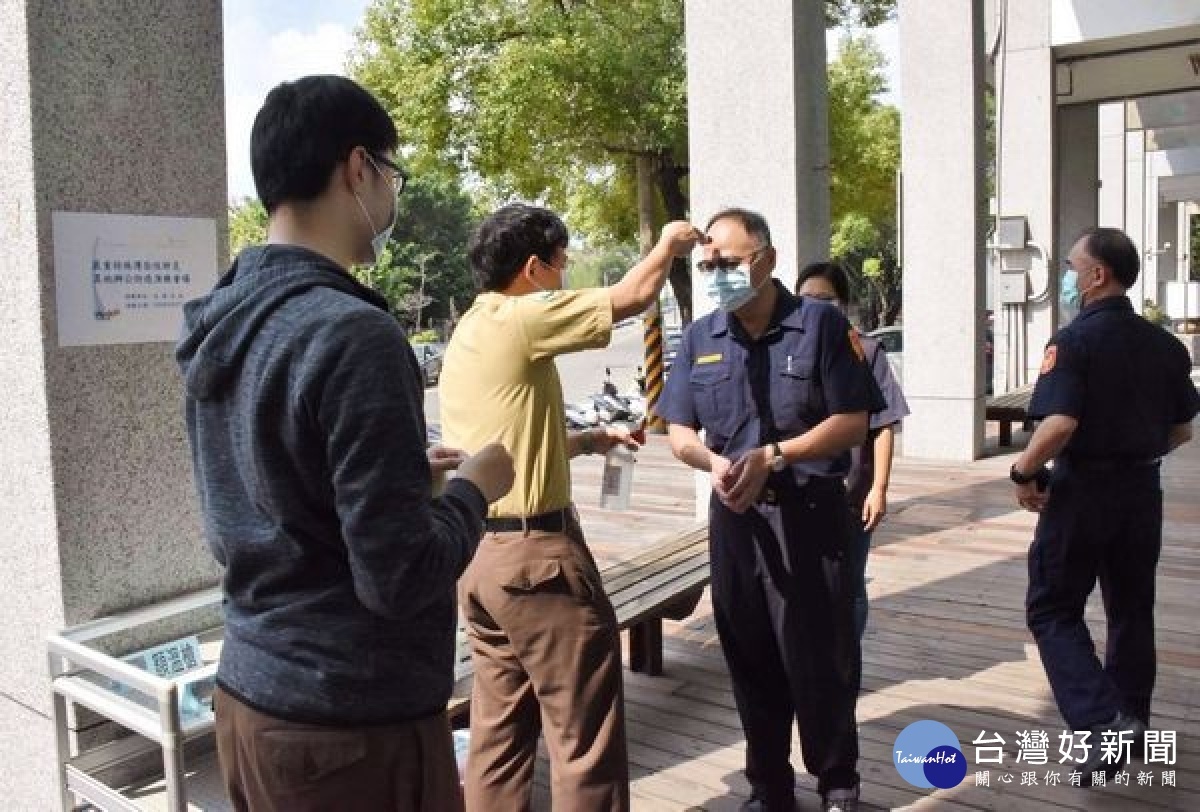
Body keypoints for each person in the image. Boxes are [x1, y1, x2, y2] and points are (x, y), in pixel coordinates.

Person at [175, 75, 515, 812]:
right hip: (351, 729)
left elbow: (268, 484)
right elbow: (397, 578)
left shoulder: (222, 320)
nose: (391, 193)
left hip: (251, 697)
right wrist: (474, 489)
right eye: (391, 173)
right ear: (357, 168)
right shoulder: (352, 331)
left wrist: (400, 476)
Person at [439, 203, 705, 811]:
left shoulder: (470, 334)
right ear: (534, 268)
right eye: (561, 264)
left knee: (499, 736)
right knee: (584, 736)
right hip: (539, 565)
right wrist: (665, 243)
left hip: (481, 561)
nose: (564, 276)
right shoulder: (521, 317)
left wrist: (588, 440)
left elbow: (503, 448)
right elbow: (634, 295)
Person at [658, 209, 884, 812]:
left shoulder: (821, 327)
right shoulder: (702, 337)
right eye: (708, 266)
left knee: (819, 659)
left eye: (728, 263)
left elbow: (855, 420)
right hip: (735, 523)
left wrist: (777, 455)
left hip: (810, 517)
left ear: (767, 259)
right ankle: (769, 787)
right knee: (749, 653)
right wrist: (713, 464)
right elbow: (679, 429)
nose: (717, 275)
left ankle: (837, 781)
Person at [1014, 226, 1199, 785]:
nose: (1067, 279)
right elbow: (1182, 430)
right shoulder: (1167, 346)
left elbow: (1060, 422)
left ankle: (1100, 724)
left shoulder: (1075, 341)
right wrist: (1135, 452)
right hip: (1142, 492)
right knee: (1130, 607)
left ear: (1097, 276)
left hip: (1084, 491)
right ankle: (1132, 721)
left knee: (1052, 607)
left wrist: (1023, 470)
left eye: (1072, 268)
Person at [795, 262, 909, 670]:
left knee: (848, 584)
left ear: (843, 305)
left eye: (825, 300)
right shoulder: (787, 351)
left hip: (850, 493)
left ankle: (844, 663)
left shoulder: (867, 351)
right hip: (798, 492)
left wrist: (878, 488)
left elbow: (882, 426)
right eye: (806, 299)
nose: (815, 308)